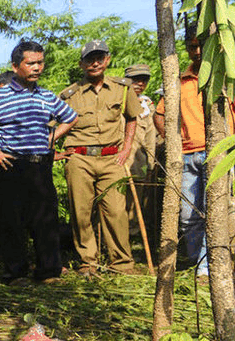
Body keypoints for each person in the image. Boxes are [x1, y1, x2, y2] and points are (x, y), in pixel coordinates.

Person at [0, 41, 78, 285]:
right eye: (31, 63)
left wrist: (51, 137)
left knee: (45, 219)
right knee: (11, 220)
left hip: (40, 165)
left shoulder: (47, 96)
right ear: (16, 66)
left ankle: (48, 272)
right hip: (10, 166)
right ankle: (16, 273)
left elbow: (70, 118)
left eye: (40, 62)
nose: (37, 68)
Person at [154, 27, 235, 279]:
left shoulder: (224, 78)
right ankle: (196, 261)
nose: (197, 51)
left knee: (217, 210)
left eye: (200, 45)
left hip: (220, 155)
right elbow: (160, 115)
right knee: (188, 215)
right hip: (188, 156)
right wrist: (174, 141)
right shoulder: (178, 82)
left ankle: (206, 269)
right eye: (191, 46)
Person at [59, 40, 140, 277]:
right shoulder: (68, 95)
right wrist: (56, 153)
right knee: (81, 211)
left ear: (107, 60)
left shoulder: (123, 89)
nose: (94, 63)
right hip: (79, 160)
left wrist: (126, 149)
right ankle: (88, 262)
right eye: (89, 59)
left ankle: (122, 263)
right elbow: (52, 126)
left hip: (111, 159)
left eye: (99, 57)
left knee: (116, 211)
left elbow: (132, 118)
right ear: (81, 64)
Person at [124, 63, 158, 237]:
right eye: (135, 79)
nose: (139, 83)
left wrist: (151, 166)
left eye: (144, 80)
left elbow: (150, 138)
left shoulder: (147, 106)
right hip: (113, 162)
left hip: (137, 164)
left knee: (134, 202)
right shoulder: (116, 100)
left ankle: (132, 236)